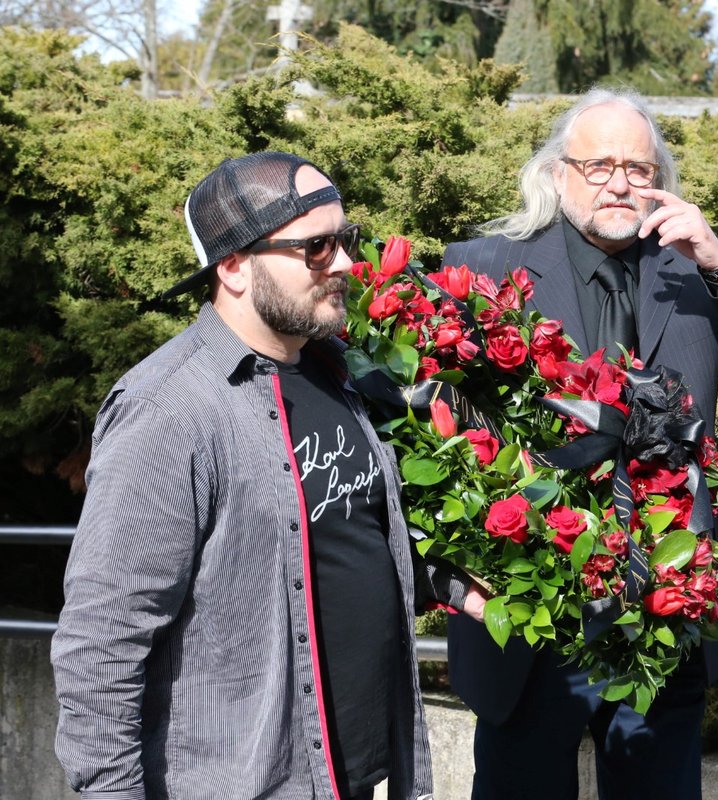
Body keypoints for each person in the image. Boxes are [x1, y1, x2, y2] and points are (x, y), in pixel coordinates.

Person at [438, 87, 718, 800]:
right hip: (532, 613)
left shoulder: (694, 277)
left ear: (660, 182)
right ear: (558, 174)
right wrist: (456, 574)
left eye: (639, 169)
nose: (619, 182)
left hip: (663, 617)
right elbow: (427, 426)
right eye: (599, 165)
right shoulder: (482, 267)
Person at [51, 152, 435, 800]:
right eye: (315, 247)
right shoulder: (168, 410)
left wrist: (454, 582)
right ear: (232, 266)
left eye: (346, 240)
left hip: (357, 777)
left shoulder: (335, 375)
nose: (344, 263)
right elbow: (100, 648)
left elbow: (337, 542)